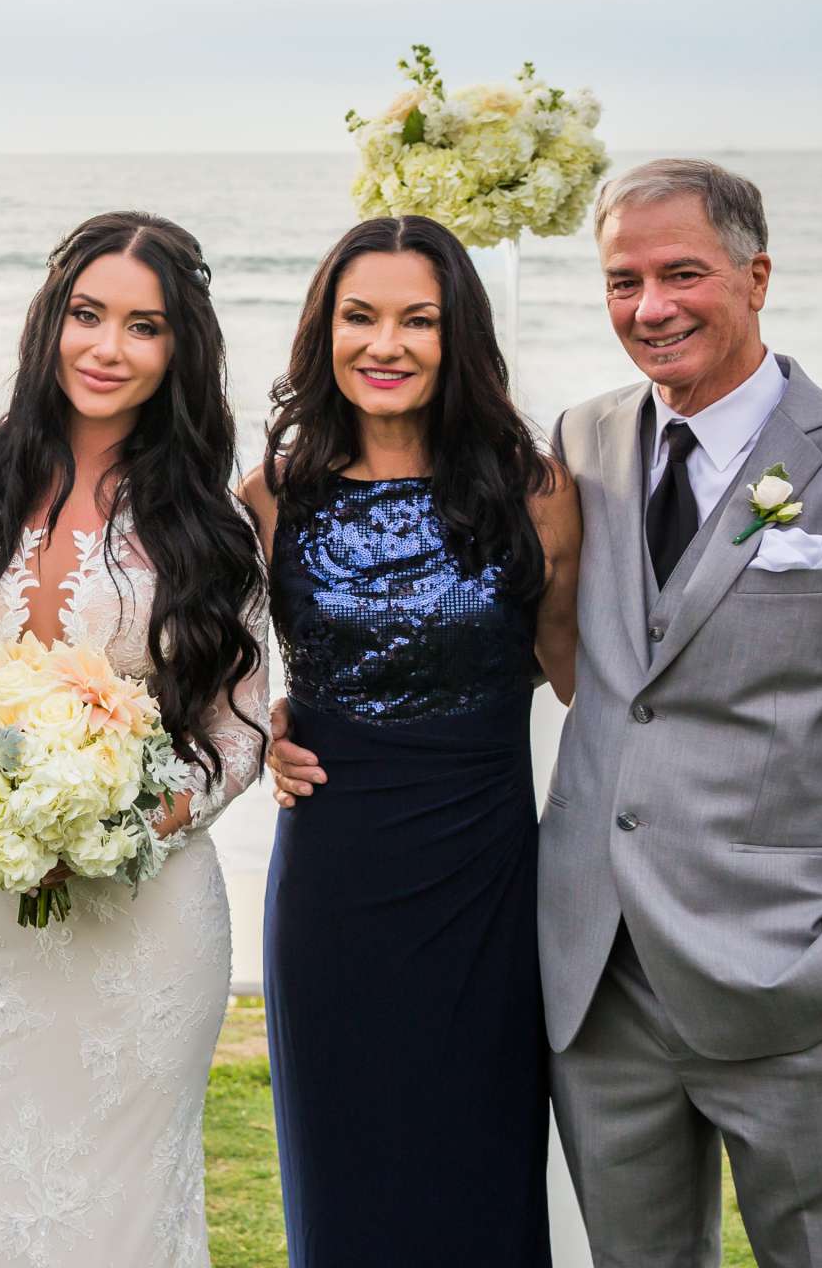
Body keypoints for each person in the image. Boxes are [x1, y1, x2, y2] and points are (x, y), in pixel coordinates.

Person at [275, 160, 822, 1266]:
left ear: (757, 277)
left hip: (787, 980)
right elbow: (538, 650)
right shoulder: (584, 445)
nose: (650, 307)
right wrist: (293, 704)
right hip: (594, 981)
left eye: (681, 273)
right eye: (621, 281)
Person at [0, 212, 270, 1267]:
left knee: (128, 1212)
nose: (107, 348)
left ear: (180, 348)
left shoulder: (210, 524)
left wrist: (120, 822)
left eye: (143, 327)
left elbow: (234, 733)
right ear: (51, 318)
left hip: (148, 921)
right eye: (88, 315)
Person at [241, 214, 578, 1267]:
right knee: (347, 1183)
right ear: (323, 329)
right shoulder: (271, 499)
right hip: (334, 882)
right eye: (360, 316)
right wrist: (263, 734)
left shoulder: (537, 494)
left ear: (458, 334)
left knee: (481, 1173)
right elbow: (219, 678)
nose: (385, 345)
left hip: (486, 880)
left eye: (418, 319)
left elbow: (596, 691)